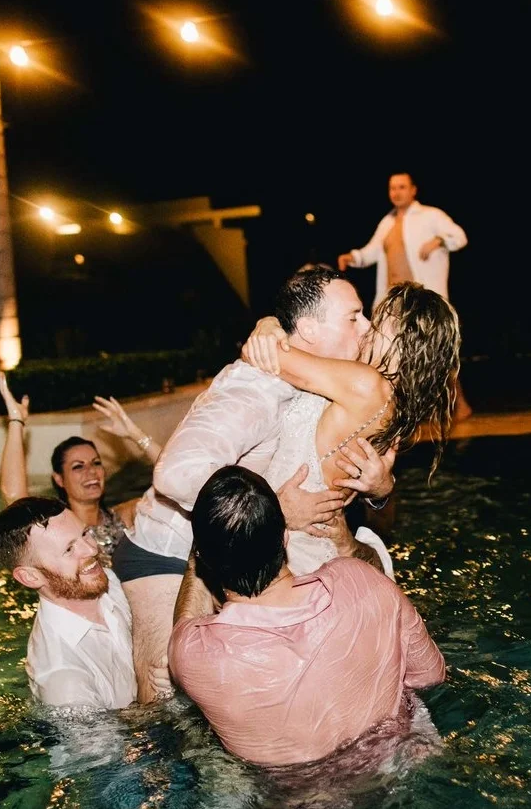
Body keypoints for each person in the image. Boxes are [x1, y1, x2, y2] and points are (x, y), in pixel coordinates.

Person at [117, 266, 399, 702]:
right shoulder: (256, 388)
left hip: (230, 553)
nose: (366, 327)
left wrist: (379, 490)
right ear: (309, 329)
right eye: (353, 317)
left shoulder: (312, 376)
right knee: (165, 698)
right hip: (166, 551)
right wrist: (275, 512)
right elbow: (175, 475)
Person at [168, 466, 446, 767]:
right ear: (285, 537)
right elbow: (431, 675)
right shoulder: (363, 581)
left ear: (205, 559)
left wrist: (198, 557)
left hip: (298, 794)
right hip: (399, 765)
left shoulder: (195, 655)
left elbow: (186, 621)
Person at [241, 278, 461, 575]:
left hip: (287, 548)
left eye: (377, 321)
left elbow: (268, 356)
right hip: (310, 546)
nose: (367, 327)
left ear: (402, 339)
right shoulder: (393, 405)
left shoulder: (366, 384)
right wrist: (382, 492)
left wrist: (267, 324)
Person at [0, 496, 168, 709]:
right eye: (69, 549)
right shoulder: (64, 682)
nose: (91, 550)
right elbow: (121, 732)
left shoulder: (106, 580)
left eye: (84, 533)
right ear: (30, 577)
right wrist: (163, 701)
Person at [336, 172, 472, 418]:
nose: (396, 192)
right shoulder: (387, 222)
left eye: (401, 187)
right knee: (390, 354)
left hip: (423, 300)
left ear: (413, 190)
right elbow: (372, 251)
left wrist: (439, 240)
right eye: (392, 188)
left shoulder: (431, 215)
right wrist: (353, 257)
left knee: (437, 351)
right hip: (395, 302)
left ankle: (460, 404)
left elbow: (459, 237)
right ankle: (394, 412)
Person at [0, 372, 161, 561]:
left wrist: (136, 435)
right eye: (78, 467)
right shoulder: (57, 530)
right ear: (59, 479)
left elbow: (177, 481)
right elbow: (14, 498)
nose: (91, 471)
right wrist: (16, 421)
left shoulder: (125, 516)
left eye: (96, 463)